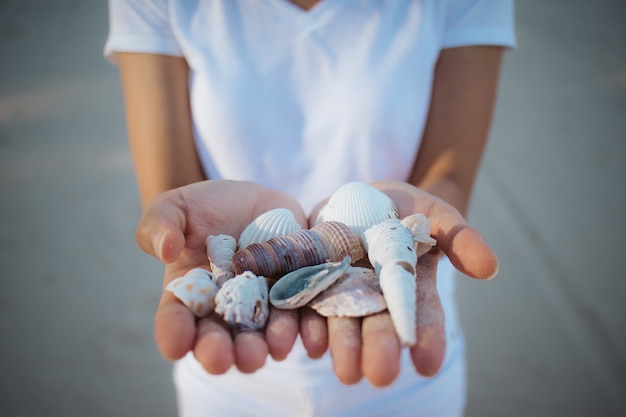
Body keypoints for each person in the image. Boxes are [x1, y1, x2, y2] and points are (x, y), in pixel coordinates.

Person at [104, 1, 516, 416]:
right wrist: (214, 252)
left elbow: (450, 174)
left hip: (404, 357)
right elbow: (174, 192)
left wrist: (408, 226)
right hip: (228, 357)